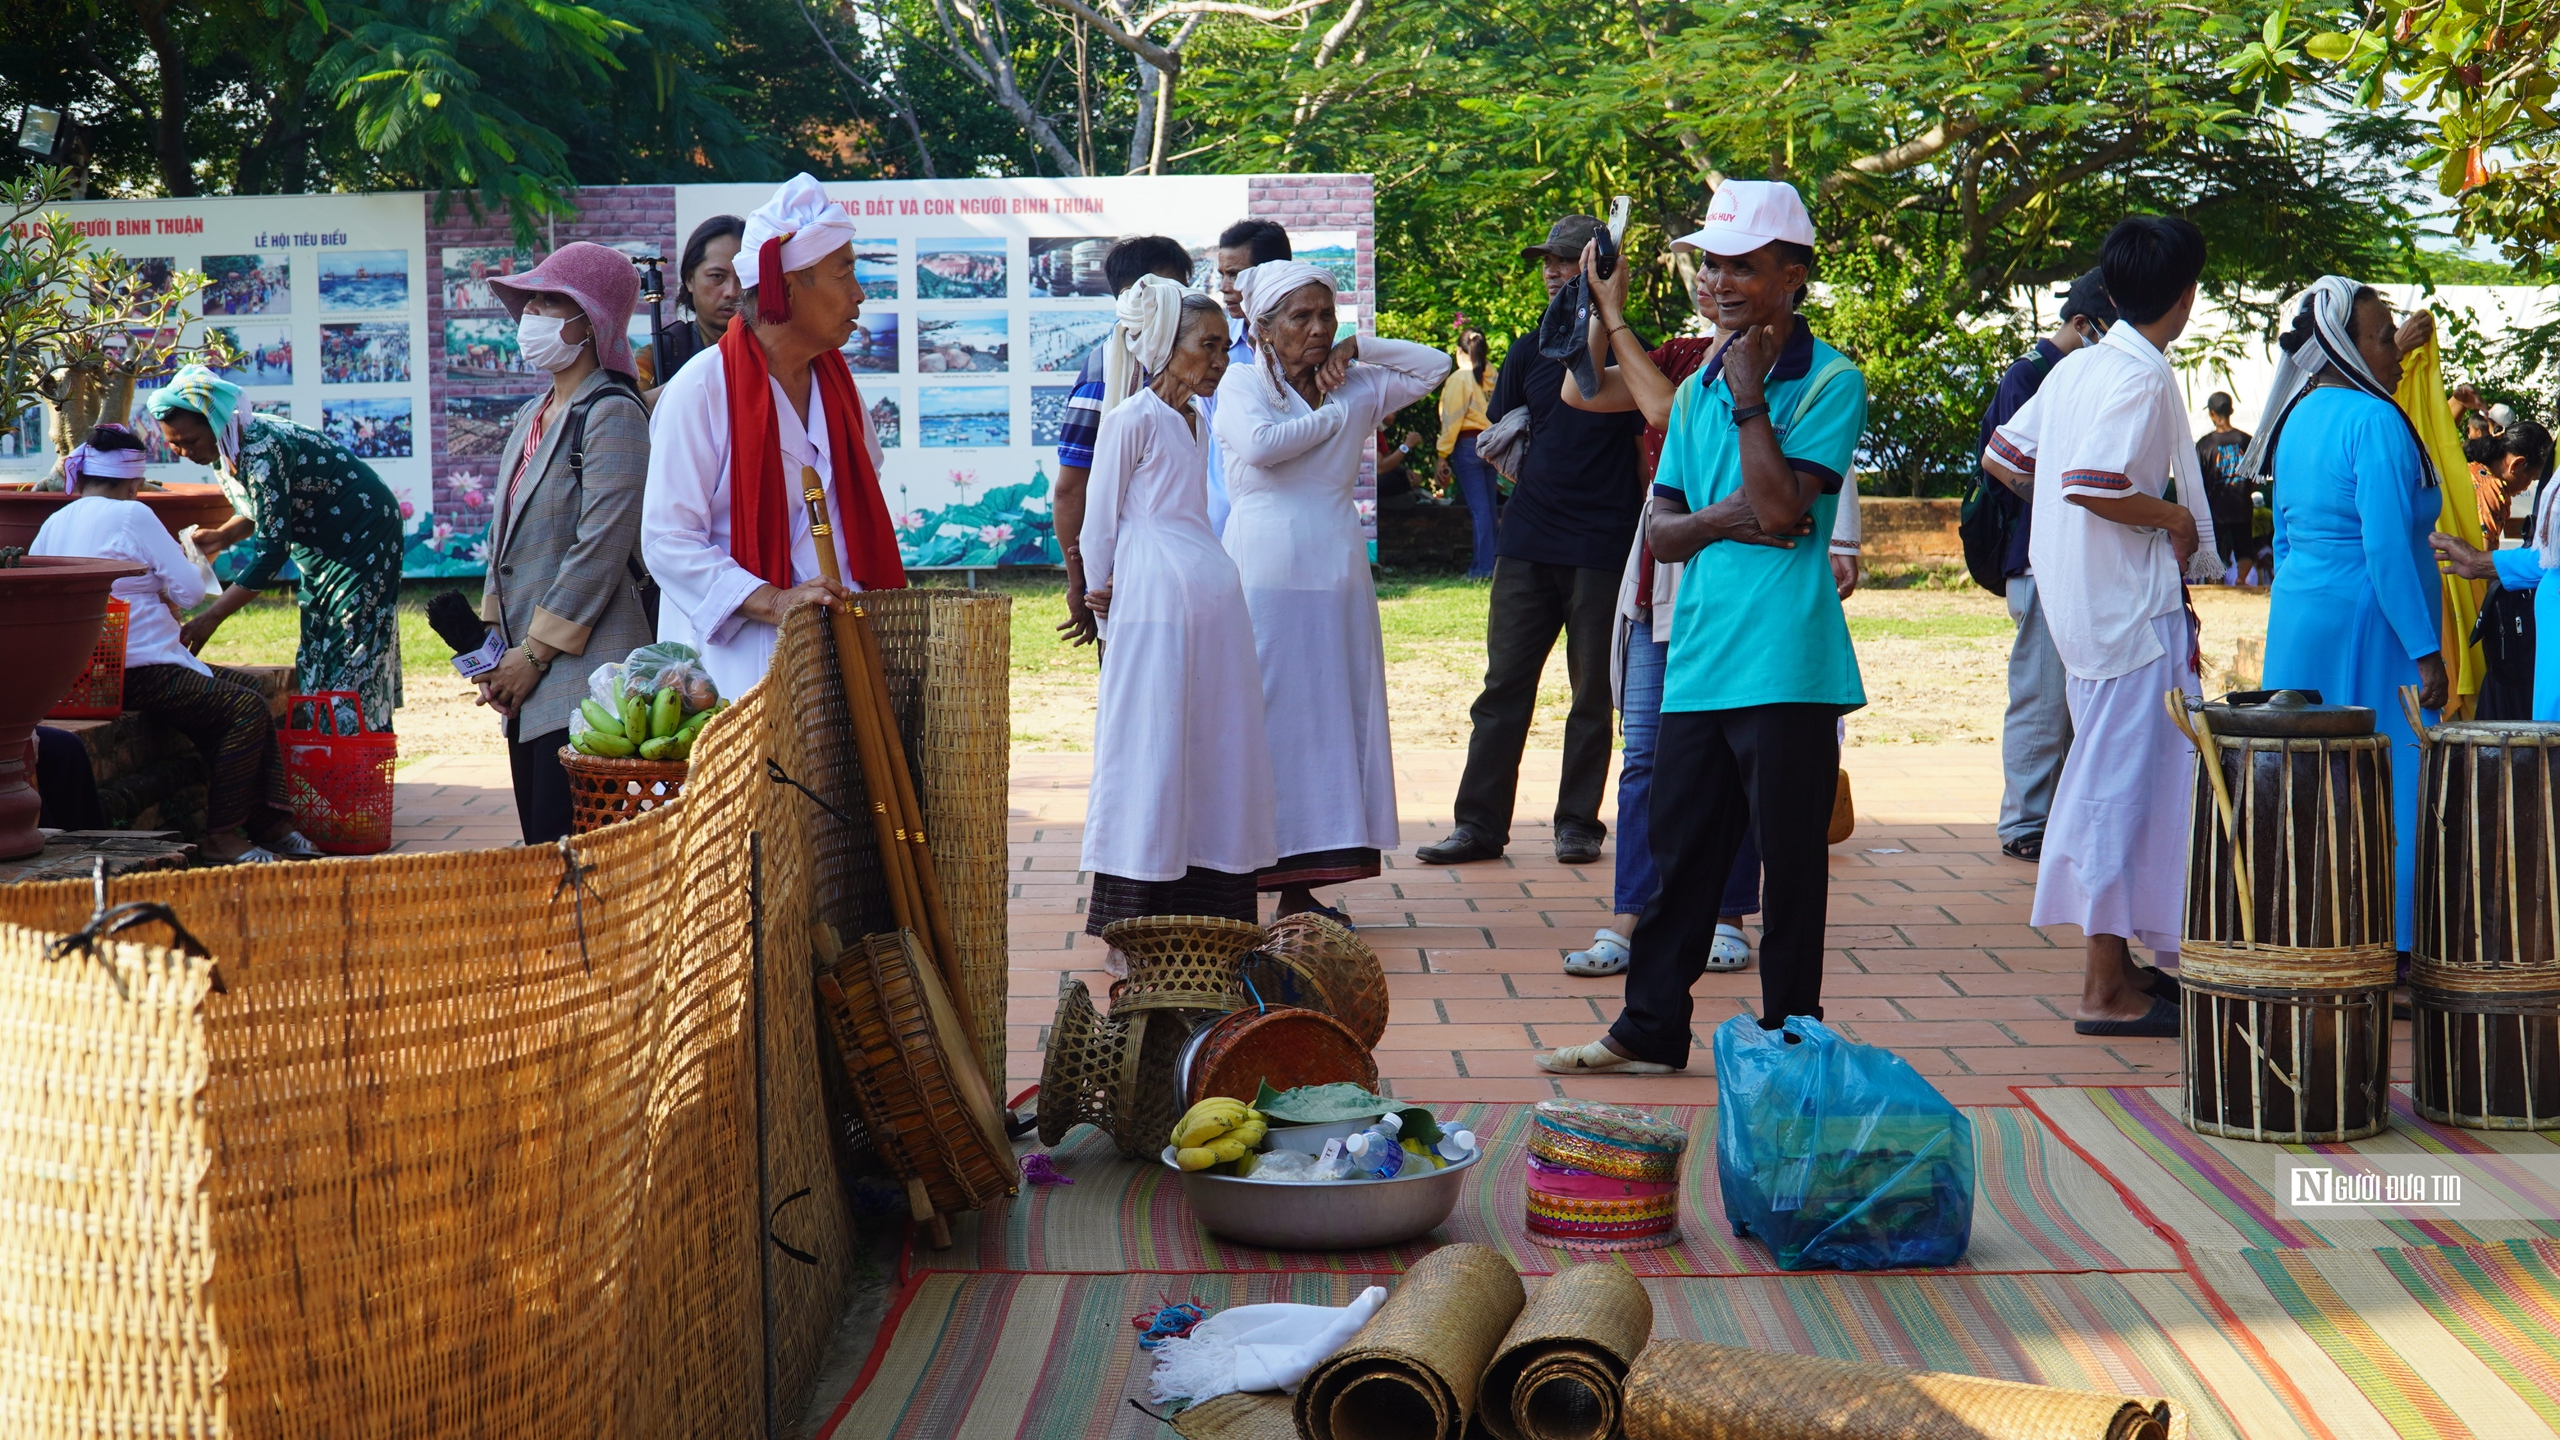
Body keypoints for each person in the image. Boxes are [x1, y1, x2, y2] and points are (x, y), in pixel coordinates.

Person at [1536, 179, 1868, 1075]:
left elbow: (1781, 504)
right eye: (1711, 263)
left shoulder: (1832, 381)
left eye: (1741, 266)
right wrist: (1740, 517)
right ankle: (1649, 1027)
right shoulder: (1693, 390)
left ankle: (1793, 1033)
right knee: (1680, 853)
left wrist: (1752, 404)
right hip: (1700, 653)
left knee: (1791, 865)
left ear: (1792, 275)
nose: (1718, 280)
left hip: (1789, 662)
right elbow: (1671, 527)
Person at [1978, 216, 2227, 1038]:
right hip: (2128, 617)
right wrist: (2173, 521)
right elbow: (2092, 481)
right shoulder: (2143, 375)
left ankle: (2123, 968)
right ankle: (2103, 987)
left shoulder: (2082, 366)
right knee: (2121, 792)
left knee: (2121, 783)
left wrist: (2066, 531)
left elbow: (2008, 461)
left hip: (2084, 606)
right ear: (2186, 298)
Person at [1218, 259, 1453, 922]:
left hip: (1334, 571)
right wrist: (1333, 414)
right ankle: (1240, 879)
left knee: (1326, 719)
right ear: (1263, 330)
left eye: (1327, 315)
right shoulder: (1239, 384)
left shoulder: (1355, 382)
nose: (1318, 329)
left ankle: (1301, 887)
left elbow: (1433, 367)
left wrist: (1359, 348)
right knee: (1264, 718)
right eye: (1302, 317)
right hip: (1261, 572)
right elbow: (1262, 448)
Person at [1417, 215, 1648, 869]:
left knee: (1592, 698)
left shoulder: (1631, 350)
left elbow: (1643, 455)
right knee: (1502, 690)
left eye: (1566, 259)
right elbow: (1509, 433)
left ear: (1601, 268)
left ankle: (1578, 825)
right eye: (1547, 260)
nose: (1552, 270)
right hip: (1527, 541)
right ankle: (1478, 826)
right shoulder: (1526, 349)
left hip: (1604, 545)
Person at [642, 173, 905, 704]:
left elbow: (855, 502)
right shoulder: (701, 386)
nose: (859, 294)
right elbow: (668, 542)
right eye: (844, 273)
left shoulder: (838, 385)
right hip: (735, 665)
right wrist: (774, 600)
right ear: (788, 287)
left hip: (838, 651)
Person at [2246, 278, 2447, 957]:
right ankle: (2384, 944)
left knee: (2309, 779)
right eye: (2383, 335)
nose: (2395, 347)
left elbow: (2285, 539)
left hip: (2301, 617)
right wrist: (2427, 652)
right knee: (2386, 781)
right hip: (2371, 623)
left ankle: (2309, 931)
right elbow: (2387, 549)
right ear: (2346, 343)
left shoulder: (2295, 417)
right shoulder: (2375, 419)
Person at [1075, 278, 1276, 957]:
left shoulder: (1197, 421)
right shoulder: (1132, 417)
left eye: (1225, 346)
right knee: (1153, 749)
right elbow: (1098, 523)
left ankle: (1206, 909)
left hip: (1208, 602)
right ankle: (1139, 917)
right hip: (1156, 604)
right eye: (1206, 345)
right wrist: (1102, 596)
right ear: (1166, 346)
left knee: (1209, 748)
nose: (1219, 360)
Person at [29, 426, 315, 862]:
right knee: (245, 709)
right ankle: (224, 836)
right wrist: (167, 579)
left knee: (248, 693)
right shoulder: (133, 515)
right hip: (142, 669)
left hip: (86, 671)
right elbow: (191, 592)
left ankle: (269, 823)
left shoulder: (55, 521)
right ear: (132, 481)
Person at [478, 242, 654, 844]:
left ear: (592, 320)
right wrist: (492, 651)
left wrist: (532, 656)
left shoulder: (613, 412)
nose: (534, 313)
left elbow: (600, 548)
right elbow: (503, 540)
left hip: (587, 679)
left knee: (577, 856)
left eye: (554, 300)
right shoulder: (533, 413)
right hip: (526, 677)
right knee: (540, 847)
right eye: (533, 300)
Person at [151, 369, 406, 732]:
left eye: (190, 441)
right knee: (318, 643)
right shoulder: (229, 444)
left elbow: (272, 552)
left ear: (216, 421)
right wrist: (223, 537)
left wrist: (211, 617)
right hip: (322, 543)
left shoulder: (259, 449)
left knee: (350, 642)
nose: (183, 452)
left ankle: (353, 755)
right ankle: (329, 747)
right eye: (173, 444)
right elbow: (268, 508)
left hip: (363, 536)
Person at [1978, 270, 2116, 863]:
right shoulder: (2032, 377)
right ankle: (2025, 822)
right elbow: (2006, 465)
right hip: (2037, 561)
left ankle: (2049, 815)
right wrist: (2074, 502)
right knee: (2039, 696)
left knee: (2062, 695)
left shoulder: (2062, 372)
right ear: (2083, 325)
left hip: (2059, 558)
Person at [1052, 236, 1199, 648]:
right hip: (1128, 588)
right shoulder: (1105, 373)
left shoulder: (1200, 370)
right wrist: (1083, 583)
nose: (1180, 303)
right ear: (1133, 297)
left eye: (1184, 292)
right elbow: (1072, 489)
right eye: (1170, 291)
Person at [1208, 220, 1295, 538]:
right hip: (1221, 523)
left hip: (1294, 521)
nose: (1224, 287)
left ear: (1273, 274)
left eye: (1235, 275)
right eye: (1222, 275)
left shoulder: (1314, 353)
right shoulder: (1214, 348)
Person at [2465, 421, 2553, 721]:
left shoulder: (2469, 469)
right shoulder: (2494, 489)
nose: (2527, 488)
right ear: (2516, 465)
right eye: (2531, 479)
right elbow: (2484, 548)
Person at [638, 214, 745, 396]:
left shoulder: (774, 353)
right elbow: (624, 413)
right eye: (717, 276)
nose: (732, 292)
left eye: (743, 278)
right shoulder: (658, 355)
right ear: (689, 280)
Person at [1436, 329, 1497, 577]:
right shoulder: (1493, 376)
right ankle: (1491, 566)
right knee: (1490, 510)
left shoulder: (1460, 379)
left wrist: (1442, 454)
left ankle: (1483, 568)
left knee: (1479, 511)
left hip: (1468, 445)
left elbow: (1452, 420)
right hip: (1492, 445)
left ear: (1460, 352)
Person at [2196, 392, 2258, 584]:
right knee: (2244, 550)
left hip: (2215, 509)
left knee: (2212, 549)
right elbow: (2255, 478)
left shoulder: (2204, 445)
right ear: (2231, 411)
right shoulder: (2246, 440)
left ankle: (2215, 585)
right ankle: (2240, 579)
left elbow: (2198, 481)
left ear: (2212, 414)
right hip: (2242, 507)